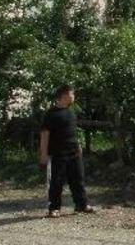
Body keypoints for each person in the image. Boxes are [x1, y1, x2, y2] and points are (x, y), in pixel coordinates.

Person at [39, 85, 95, 218]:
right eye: (72, 94)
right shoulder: (51, 114)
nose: (73, 96)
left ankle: (81, 204)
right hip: (59, 153)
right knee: (56, 181)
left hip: (74, 151)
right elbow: (45, 134)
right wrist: (43, 154)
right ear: (64, 95)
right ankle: (54, 208)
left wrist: (79, 145)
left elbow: (73, 132)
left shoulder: (71, 112)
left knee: (78, 179)